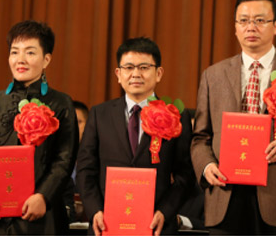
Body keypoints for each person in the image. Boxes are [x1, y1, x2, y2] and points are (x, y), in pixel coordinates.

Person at [191, 0, 276, 234]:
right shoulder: (213, 76)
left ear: (275, 26)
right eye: (244, 20)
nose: (251, 27)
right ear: (235, 27)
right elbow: (200, 137)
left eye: (260, 20)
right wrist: (207, 166)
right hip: (225, 195)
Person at [0, 20, 78, 234]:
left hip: (40, 215)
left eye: (30, 52)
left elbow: (64, 159)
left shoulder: (61, 103)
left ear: (46, 59)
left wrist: (43, 196)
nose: (20, 60)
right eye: (14, 52)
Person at [77, 37, 194, 236]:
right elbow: (85, 169)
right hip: (106, 224)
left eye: (144, 67)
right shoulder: (99, 114)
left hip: (156, 226)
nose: (136, 74)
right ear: (118, 74)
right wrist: (95, 210)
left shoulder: (176, 115)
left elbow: (185, 174)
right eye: (129, 67)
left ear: (158, 73)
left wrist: (165, 212)